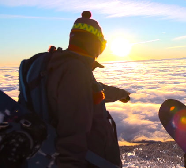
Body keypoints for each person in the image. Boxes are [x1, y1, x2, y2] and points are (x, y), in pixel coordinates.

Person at [44, 11, 129, 167]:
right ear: (94, 43)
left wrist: (120, 94)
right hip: (93, 160)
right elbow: (73, 136)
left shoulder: (64, 65)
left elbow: (94, 91)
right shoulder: (75, 71)